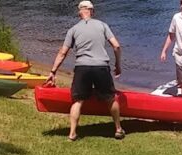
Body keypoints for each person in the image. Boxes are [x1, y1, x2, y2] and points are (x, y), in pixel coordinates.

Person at [46, 1, 124, 141]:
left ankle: (72, 133)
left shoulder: (73, 29)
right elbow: (116, 46)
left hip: (82, 67)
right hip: (101, 66)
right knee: (111, 98)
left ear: (79, 13)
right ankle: (118, 129)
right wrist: (118, 65)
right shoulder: (102, 25)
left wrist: (53, 72)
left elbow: (62, 53)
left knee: (78, 100)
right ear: (92, 11)